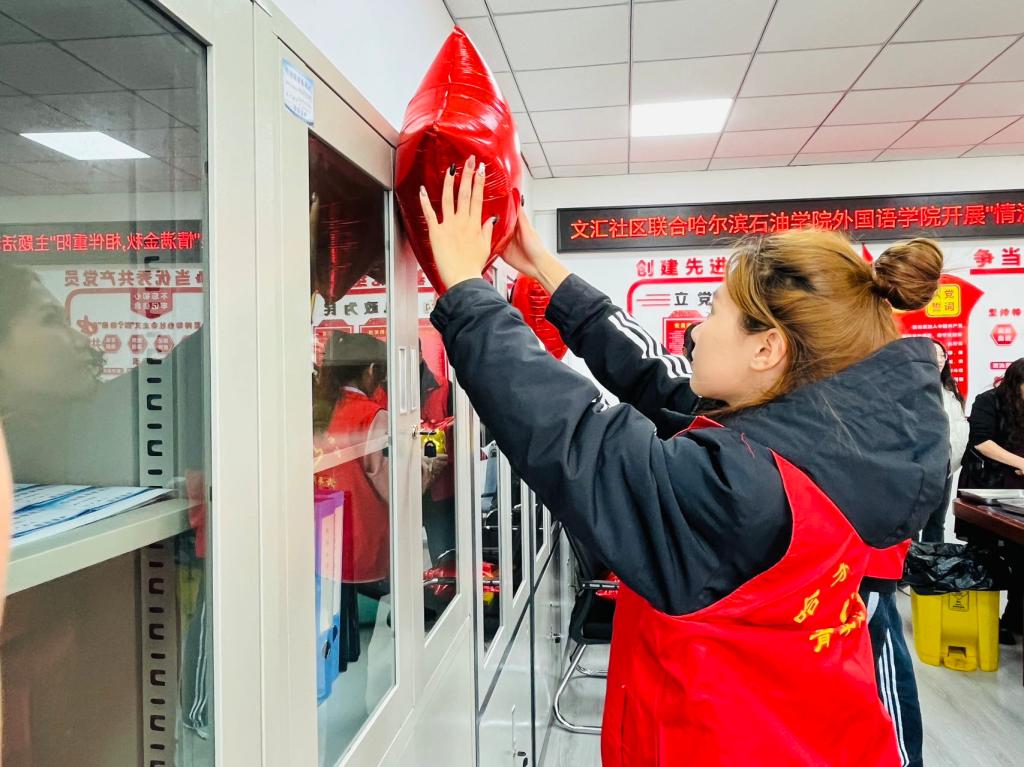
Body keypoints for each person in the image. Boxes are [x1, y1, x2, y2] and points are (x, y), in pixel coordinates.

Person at [418, 157, 947, 766]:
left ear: (767, 349)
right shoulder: (825, 439)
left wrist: (468, 294)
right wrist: (541, 265)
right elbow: (658, 381)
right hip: (810, 734)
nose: (695, 332)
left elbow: (577, 437)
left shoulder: (748, 487)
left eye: (714, 313)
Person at [961, 357, 1024, 644]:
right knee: (987, 556)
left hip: (1018, 488)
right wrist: (1019, 462)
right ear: (1015, 381)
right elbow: (981, 441)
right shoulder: (989, 401)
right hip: (990, 487)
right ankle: (987, 621)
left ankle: (1014, 617)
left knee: (1020, 557)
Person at [920, 340, 969, 543]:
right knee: (910, 521)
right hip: (918, 463)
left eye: (942, 355)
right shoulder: (911, 385)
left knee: (936, 520)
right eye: (934, 354)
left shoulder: (949, 387)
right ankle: (909, 560)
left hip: (945, 462)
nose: (939, 360)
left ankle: (934, 560)